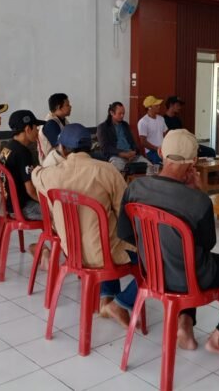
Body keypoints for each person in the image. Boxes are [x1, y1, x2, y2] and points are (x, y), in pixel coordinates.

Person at [117, 129, 219, 355]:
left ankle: (185, 325)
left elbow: (125, 233)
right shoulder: (198, 201)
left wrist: (157, 250)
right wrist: (198, 192)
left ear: (160, 152)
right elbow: (207, 244)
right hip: (191, 277)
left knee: (185, 255)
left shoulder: (135, 188)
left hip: (152, 273)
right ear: (194, 161)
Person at [32, 124, 137, 327]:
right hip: (104, 253)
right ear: (91, 147)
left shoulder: (51, 174)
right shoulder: (107, 171)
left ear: (63, 149)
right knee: (153, 258)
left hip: (72, 253)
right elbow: (125, 213)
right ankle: (120, 303)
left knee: (104, 236)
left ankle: (106, 297)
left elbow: (36, 174)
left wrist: (37, 170)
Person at [0, 110, 46, 220]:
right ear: (28, 129)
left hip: (8, 205)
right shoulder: (23, 152)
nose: (37, 131)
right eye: (36, 128)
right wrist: (48, 201)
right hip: (24, 208)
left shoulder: (7, 147)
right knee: (62, 213)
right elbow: (31, 191)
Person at [97, 102, 149, 172]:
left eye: (123, 113)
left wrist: (134, 152)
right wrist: (122, 154)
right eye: (120, 113)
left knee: (150, 167)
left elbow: (132, 142)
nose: (122, 116)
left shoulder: (125, 125)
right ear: (112, 113)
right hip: (116, 156)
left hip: (131, 155)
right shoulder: (103, 127)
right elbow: (105, 147)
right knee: (118, 169)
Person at [37, 93, 71, 161]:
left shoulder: (63, 120)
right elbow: (62, 148)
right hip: (52, 164)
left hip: (62, 160)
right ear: (58, 107)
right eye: (67, 105)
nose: (70, 107)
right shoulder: (50, 124)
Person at [137, 95, 167, 165]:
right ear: (149, 107)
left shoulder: (161, 119)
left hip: (163, 150)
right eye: (156, 105)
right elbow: (143, 142)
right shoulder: (143, 121)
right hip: (152, 152)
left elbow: (165, 134)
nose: (159, 107)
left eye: (159, 105)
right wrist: (157, 149)